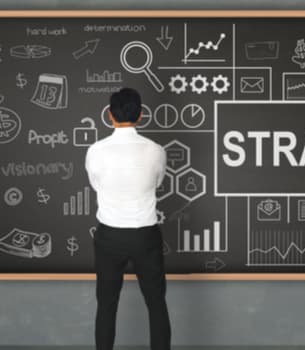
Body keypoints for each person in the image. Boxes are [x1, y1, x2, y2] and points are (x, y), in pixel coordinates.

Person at [85, 87, 171, 350]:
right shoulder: (156, 151)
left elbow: (96, 184)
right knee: (156, 303)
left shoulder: (96, 151)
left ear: (110, 115)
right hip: (145, 234)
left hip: (110, 236)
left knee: (107, 305)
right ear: (141, 115)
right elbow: (158, 182)